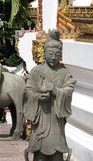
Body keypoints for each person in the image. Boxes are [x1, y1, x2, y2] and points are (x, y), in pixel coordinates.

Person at [23, 29, 76, 161]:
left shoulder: (64, 74)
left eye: (57, 54)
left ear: (61, 55)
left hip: (56, 121)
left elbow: (69, 89)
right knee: (39, 153)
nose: (53, 57)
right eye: (50, 53)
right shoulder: (36, 71)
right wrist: (37, 97)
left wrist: (56, 91)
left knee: (57, 154)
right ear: (44, 52)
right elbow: (27, 90)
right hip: (41, 118)